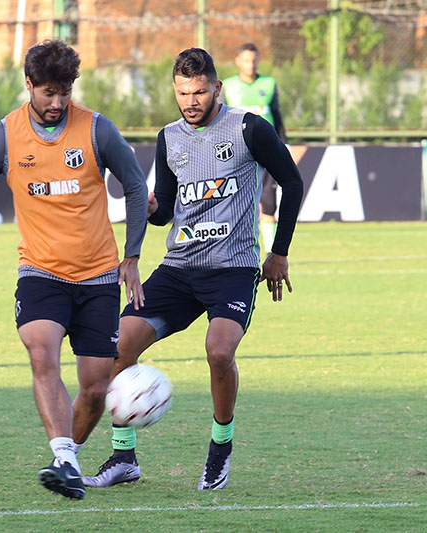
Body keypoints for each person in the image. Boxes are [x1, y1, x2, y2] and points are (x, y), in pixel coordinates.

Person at [0, 39, 148, 501]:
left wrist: (132, 257)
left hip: (99, 277)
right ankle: (63, 456)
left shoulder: (98, 130)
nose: (58, 103)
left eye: (65, 92)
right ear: (29, 86)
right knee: (42, 351)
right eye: (48, 93)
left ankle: (68, 462)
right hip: (40, 272)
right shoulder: (4, 137)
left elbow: (136, 187)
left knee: (96, 387)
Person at [82, 48, 303, 491]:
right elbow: (165, 209)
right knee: (118, 348)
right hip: (179, 269)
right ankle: (124, 456)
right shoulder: (169, 138)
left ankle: (221, 447)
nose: (191, 100)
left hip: (233, 270)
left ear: (216, 88)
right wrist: (153, 206)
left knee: (219, 352)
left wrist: (278, 252)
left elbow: (291, 181)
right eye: (183, 92)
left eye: (200, 91)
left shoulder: (247, 128)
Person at [220, 43, 287, 255]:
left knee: (268, 198)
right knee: (235, 198)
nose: (251, 64)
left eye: (254, 59)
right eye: (247, 60)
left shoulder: (269, 84)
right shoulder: (228, 86)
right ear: (238, 61)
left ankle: (270, 251)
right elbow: (220, 119)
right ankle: (233, 245)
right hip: (238, 151)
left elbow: (276, 116)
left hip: (267, 150)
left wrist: (283, 145)